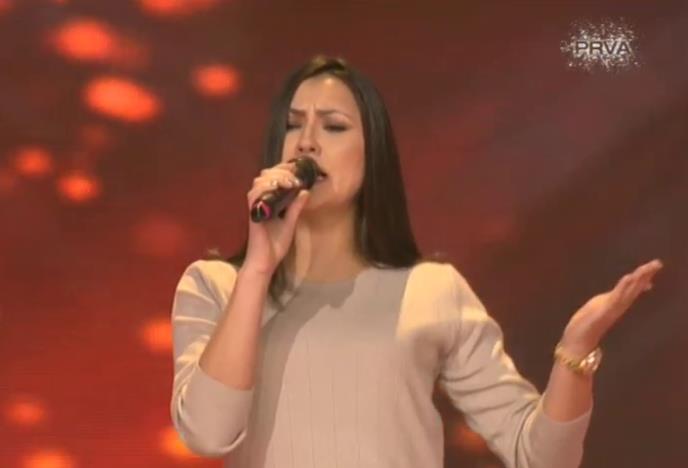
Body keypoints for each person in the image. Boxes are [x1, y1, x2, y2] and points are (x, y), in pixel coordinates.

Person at [169, 55, 663, 468]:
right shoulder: (215, 286)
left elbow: (539, 456)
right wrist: (258, 269)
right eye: (293, 124)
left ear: (373, 155)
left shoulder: (432, 290)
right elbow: (208, 435)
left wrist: (576, 350)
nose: (307, 142)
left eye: (334, 126)